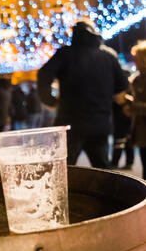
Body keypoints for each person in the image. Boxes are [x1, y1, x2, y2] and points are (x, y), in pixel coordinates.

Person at [38, 20, 129, 169]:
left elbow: (43, 75)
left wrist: (49, 100)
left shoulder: (65, 53)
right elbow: (121, 91)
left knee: (64, 169)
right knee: (102, 169)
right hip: (100, 123)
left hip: (70, 123)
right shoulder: (109, 56)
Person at [125, 41, 146, 179]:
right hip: (141, 131)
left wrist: (132, 106)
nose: (134, 61)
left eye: (136, 58)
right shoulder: (136, 79)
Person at [111, 100, 134, 170]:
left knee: (120, 140)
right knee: (127, 140)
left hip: (122, 116)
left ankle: (114, 163)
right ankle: (129, 162)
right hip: (125, 116)